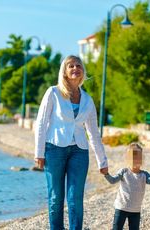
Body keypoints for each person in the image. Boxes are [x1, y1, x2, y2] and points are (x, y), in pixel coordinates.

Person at [34, 55, 109, 230]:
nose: (75, 68)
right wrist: (39, 153)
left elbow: (93, 133)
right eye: (71, 66)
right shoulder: (53, 92)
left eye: (78, 66)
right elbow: (41, 123)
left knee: (75, 198)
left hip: (79, 152)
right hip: (54, 149)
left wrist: (102, 161)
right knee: (55, 198)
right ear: (65, 72)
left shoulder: (88, 100)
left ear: (82, 71)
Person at [104, 143, 150, 230]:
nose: (135, 160)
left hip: (135, 210)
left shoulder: (144, 174)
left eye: (138, 157)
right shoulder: (124, 172)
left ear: (141, 158)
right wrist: (106, 173)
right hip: (121, 207)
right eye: (133, 157)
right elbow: (112, 180)